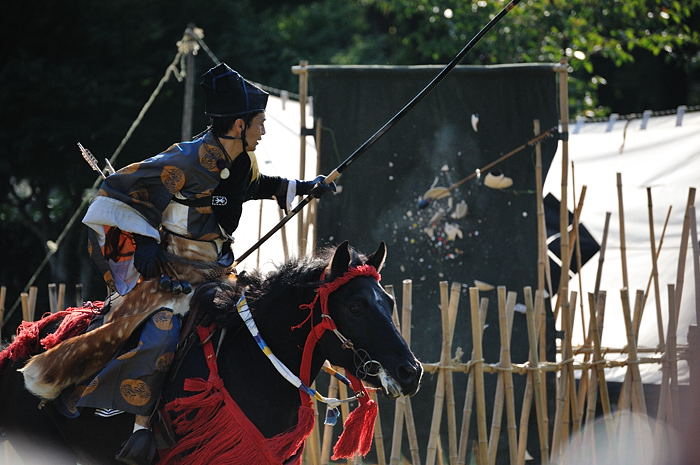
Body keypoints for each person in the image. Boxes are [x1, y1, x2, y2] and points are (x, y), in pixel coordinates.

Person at [76, 63, 335, 464]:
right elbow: (119, 190)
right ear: (237, 125)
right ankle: (136, 425)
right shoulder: (184, 160)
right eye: (259, 123)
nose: (264, 130)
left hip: (216, 271)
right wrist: (144, 240)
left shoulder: (242, 160)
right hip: (171, 270)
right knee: (162, 334)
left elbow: (255, 187)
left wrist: (304, 187)